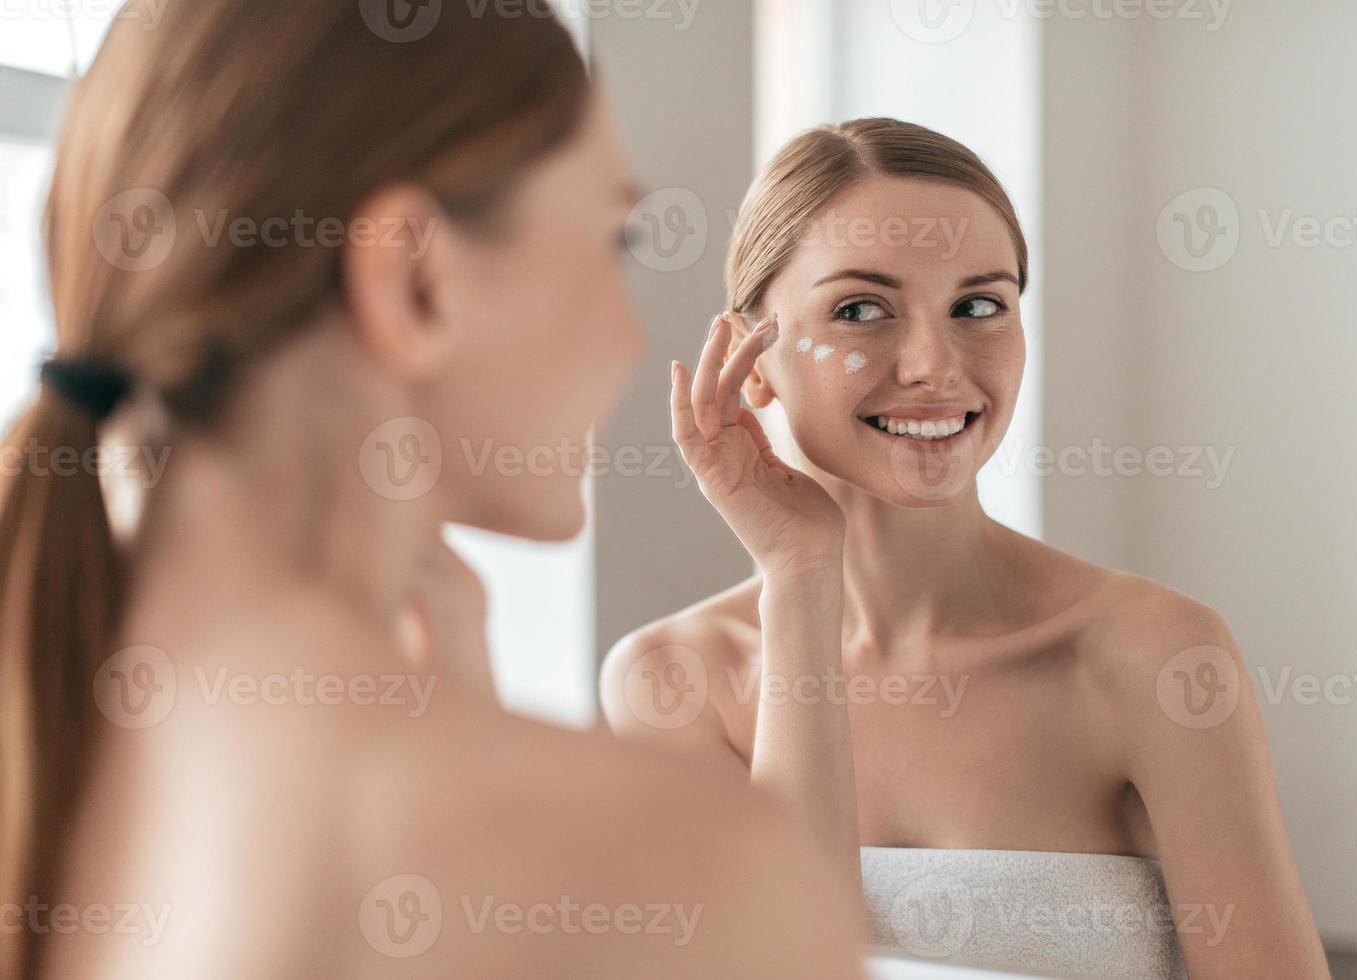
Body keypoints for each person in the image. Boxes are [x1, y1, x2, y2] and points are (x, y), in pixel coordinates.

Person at [0, 3, 866, 977]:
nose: (631, 337)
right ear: (414, 278)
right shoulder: (696, 870)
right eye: (611, 241)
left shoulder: (50, 765)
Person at [603, 117, 1331, 979]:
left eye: (978, 305)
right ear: (751, 360)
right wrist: (800, 579)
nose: (933, 365)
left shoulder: (1153, 656)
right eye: (861, 310)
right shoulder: (674, 683)